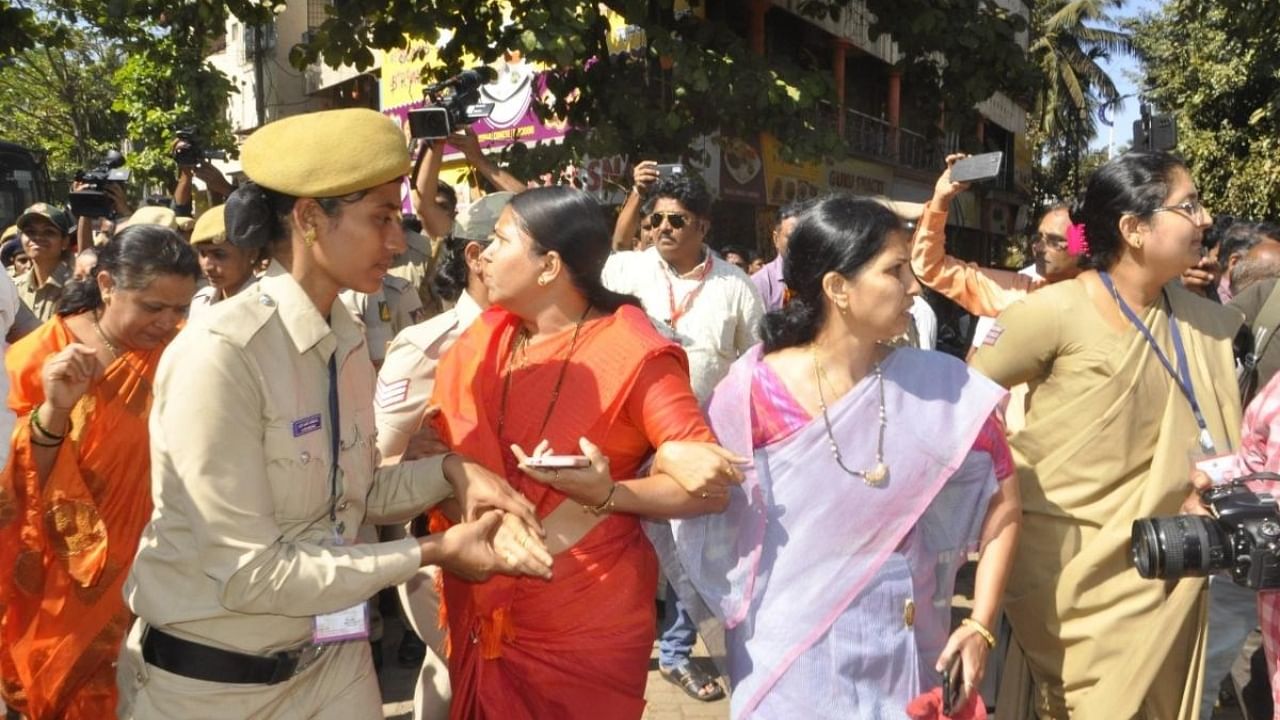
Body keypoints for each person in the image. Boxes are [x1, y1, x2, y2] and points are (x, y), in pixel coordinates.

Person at [116, 108, 551, 720]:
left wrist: (454, 472)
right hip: (216, 687)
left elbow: (355, 491)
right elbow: (251, 574)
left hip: (332, 660)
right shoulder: (222, 355)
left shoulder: (343, 334)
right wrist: (432, 552)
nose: (398, 242)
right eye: (380, 220)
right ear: (310, 219)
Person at [671, 194, 1019, 719]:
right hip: (788, 658)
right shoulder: (754, 393)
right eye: (895, 271)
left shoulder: (938, 389)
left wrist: (979, 625)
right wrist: (654, 468)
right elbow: (702, 505)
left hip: (904, 650)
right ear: (838, 288)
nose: (913, 287)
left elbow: (1005, 504)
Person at [431, 186, 743, 719]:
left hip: (583, 616)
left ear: (549, 265)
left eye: (499, 240)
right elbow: (434, 442)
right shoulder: (486, 340)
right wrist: (459, 471)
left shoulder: (634, 352)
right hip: (481, 595)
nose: (481, 254)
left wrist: (610, 494)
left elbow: (707, 489)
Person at [971, 151, 1241, 719]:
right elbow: (963, 405)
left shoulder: (1199, 322)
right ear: (1134, 229)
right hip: (1070, 580)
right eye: (1187, 205)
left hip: (1170, 569)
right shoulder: (1052, 311)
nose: (1206, 218)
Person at [0, 226, 201, 719]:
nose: (169, 322)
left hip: (163, 563)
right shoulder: (42, 353)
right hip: (67, 574)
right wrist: (55, 409)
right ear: (107, 284)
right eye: (153, 307)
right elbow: (24, 485)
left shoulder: (185, 355)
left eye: (181, 309)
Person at [602, 172, 764, 701]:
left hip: (697, 443)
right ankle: (617, 647)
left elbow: (752, 367)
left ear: (703, 226)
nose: (664, 229)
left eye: (677, 220)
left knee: (693, 559)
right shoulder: (625, 270)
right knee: (621, 549)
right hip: (625, 441)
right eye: (656, 220)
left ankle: (674, 655)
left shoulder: (734, 287)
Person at [373, 191, 513, 720]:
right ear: (477, 256)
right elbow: (375, 475)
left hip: (521, 548)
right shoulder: (425, 346)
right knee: (458, 666)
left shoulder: (548, 335)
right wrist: (421, 458)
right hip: (441, 551)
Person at [187, 204, 260, 320]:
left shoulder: (263, 304)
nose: (207, 266)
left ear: (251, 254)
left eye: (219, 255)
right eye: (203, 253)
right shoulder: (201, 301)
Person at [12, 203, 74, 322]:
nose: (38, 237)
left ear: (65, 242)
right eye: (30, 232)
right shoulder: (14, 289)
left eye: (48, 232)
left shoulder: (76, 288)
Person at [751, 199, 811, 312]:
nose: (798, 243)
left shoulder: (819, 278)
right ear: (776, 239)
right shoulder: (760, 283)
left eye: (803, 237)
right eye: (791, 237)